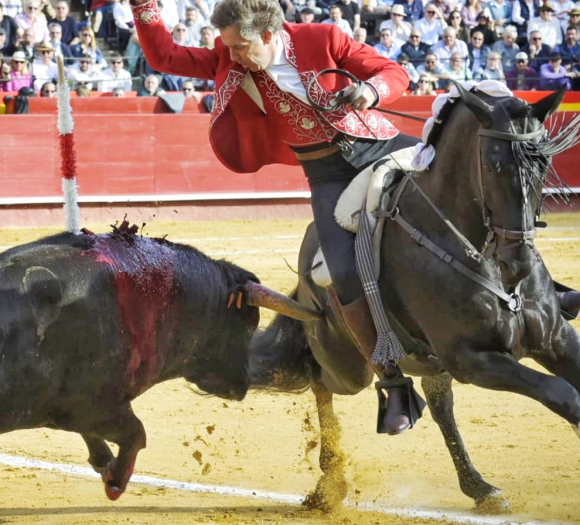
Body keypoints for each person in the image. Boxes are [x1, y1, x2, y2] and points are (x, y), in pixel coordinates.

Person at [129, 0, 427, 435]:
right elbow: (165, 57)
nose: (232, 56)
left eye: (240, 46)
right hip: (328, 174)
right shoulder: (231, 61)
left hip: (379, 145)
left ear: (269, 35)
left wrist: (371, 91)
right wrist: (143, 6)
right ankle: (395, 384)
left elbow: (392, 71)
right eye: (228, 47)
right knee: (342, 275)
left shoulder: (323, 38)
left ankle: (539, 290)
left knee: (468, 181)